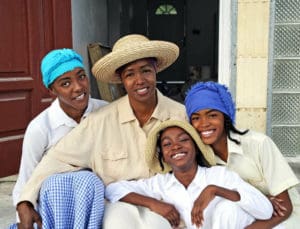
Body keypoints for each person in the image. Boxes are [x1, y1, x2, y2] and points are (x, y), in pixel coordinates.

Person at [16, 34, 188, 229]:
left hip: (169, 204)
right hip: (120, 206)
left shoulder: (180, 115)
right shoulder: (100, 121)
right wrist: (25, 201)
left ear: (156, 69)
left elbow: (204, 161)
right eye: (130, 74)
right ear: (120, 79)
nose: (139, 80)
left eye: (146, 70)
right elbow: (56, 159)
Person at [106, 120, 273, 229]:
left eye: (183, 140)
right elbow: (113, 189)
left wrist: (215, 190)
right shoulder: (160, 184)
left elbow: (265, 211)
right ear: (163, 155)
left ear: (196, 147)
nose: (176, 147)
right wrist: (154, 204)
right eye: (167, 144)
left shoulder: (219, 175)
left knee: (227, 209)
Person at [10, 48, 108, 228]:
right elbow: (26, 179)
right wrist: (23, 207)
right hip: (57, 207)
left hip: (98, 200)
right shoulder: (41, 128)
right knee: (59, 183)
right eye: (65, 83)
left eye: (81, 76)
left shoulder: (105, 112)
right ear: (51, 90)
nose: (78, 87)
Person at [184, 81, 300, 228]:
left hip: (282, 220)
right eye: (196, 118)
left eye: (212, 115)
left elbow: (285, 208)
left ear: (225, 118)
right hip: (243, 216)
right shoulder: (200, 159)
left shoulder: (259, 144)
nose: (204, 123)